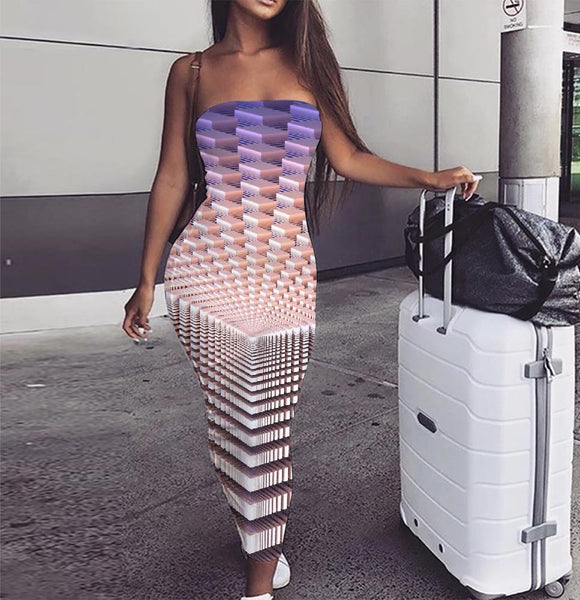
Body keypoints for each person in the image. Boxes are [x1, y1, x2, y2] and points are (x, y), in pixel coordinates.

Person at [122, 1, 480, 598]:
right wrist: (146, 278)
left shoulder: (309, 65)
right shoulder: (191, 72)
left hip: (284, 278)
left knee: (265, 430)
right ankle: (260, 544)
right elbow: (173, 176)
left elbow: (349, 158)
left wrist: (430, 177)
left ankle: (258, 581)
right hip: (206, 273)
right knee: (232, 428)